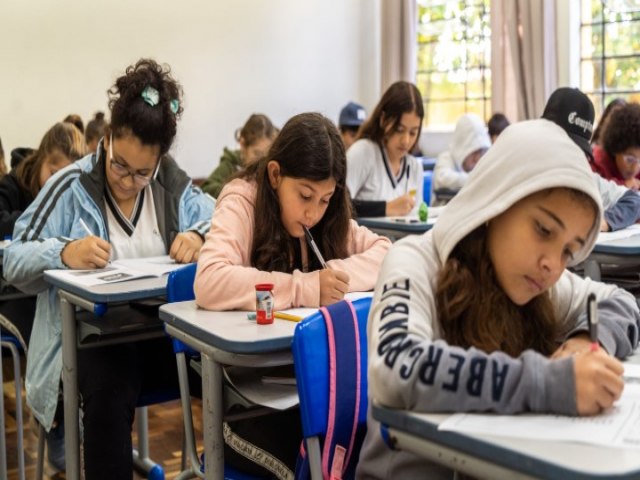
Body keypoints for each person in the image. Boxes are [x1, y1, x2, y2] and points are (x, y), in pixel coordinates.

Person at [356, 119, 640, 479]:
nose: (553, 265)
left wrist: (583, 341)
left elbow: (620, 302)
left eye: (569, 251)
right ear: (496, 199)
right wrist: (549, 383)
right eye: (543, 230)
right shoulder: (415, 261)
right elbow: (397, 366)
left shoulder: (540, 282)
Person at [4, 58, 215, 479]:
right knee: (109, 388)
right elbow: (12, 260)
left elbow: (223, 220)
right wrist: (63, 252)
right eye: (119, 164)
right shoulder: (70, 186)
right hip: (91, 341)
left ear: (159, 161)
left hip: (160, 334)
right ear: (107, 140)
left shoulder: (171, 185)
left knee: (223, 370)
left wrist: (199, 235)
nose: (127, 180)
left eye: (142, 173)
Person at [194, 112, 389, 476]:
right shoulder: (242, 200)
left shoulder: (327, 216)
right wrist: (305, 287)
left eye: (325, 199)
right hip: (248, 405)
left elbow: (385, 252)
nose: (313, 213)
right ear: (275, 175)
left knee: (365, 450)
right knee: (316, 468)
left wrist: (335, 276)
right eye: (305, 196)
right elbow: (209, 280)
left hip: (313, 389)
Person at [0, 121, 87, 471]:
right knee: (46, 335)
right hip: (10, 294)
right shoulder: (10, 185)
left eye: (66, 176)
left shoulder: (76, 194)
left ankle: (69, 413)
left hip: (49, 290)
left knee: (76, 327)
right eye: (53, 171)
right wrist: (43, 224)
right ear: (40, 159)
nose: (57, 183)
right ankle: (52, 418)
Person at [542, 87, 640, 232]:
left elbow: (635, 201)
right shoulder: (521, 165)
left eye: (577, 150)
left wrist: (605, 221)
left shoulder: (581, 176)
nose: (568, 156)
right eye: (562, 144)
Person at [346, 81, 424, 218]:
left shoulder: (414, 167)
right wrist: (386, 208)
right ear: (383, 120)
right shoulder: (363, 152)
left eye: (413, 133)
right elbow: (337, 206)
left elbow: (418, 216)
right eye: (399, 129)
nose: (406, 141)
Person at [200, 113, 278, 198]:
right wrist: (235, 191)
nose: (262, 161)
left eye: (266, 155)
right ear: (242, 145)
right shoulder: (230, 165)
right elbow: (206, 188)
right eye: (257, 154)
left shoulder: (272, 167)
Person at [431, 113, 491, 205]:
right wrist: (476, 178)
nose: (477, 158)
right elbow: (442, 179)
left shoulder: (480, 164)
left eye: (480, 152)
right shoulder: (446, 158)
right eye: (474, 152)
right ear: (462, 147)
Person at [591, 103, 640, 190]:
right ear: (615, 149)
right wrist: (622, 187)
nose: (635, 168)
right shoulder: (597, 166)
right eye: (630, 160)